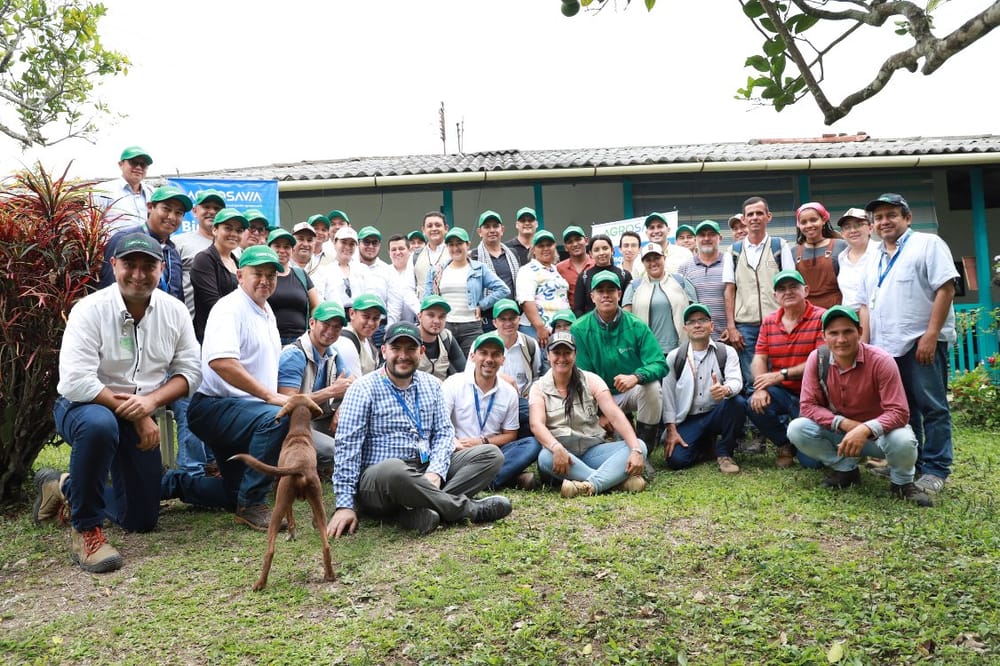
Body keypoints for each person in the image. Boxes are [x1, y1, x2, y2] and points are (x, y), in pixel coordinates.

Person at [34, 233, 201, 573]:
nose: (138, 274)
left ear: (161, 269)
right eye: (129, 265)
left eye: (148, 266)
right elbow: (76, 380)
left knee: (141, 519)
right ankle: (86, 531)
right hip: (82, 407)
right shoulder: (90, 310)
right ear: (114, 265)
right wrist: (138, 414)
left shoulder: (175, 311)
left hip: (139, 412)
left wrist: (150, 402)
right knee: (99, 425)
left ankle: (63, 486)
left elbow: (191, 373)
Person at [325, 322, 513, 537]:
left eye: (411, 349)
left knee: (491, 455)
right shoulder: (363, 388)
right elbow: (347, 448)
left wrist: (436, 471)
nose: (403, 355)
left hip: (424, 467)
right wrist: (344, 505)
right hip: (381, 479)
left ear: (421, 352)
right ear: (384, 351)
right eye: (396, 348)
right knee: (394, 468)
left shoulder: (432, 385)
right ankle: (467, 510)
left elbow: (444, 433)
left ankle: (414, 513)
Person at [161, 245, 294, 531]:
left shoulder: (265, 309)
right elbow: (222, 362)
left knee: (233, 494)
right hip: (215, 408)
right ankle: (252, 504)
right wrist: (270, 396)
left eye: (271, 275)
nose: (265, 280)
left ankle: (164, 484)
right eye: (258, 273)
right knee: (277, 416)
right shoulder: (230, 308)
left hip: (243, 411)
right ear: (240, 275)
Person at [857, 193, 958, 495]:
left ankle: (936, 469)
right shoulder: (873, 256)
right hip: (885, 348)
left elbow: (946, 288)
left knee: (933, 408)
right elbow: (866, 304)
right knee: (901, 410)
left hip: (920, 344)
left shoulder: (928, 244)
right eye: (878, 217)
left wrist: (931, 335)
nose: (884, 221)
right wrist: (866, 344)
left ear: (907, 218)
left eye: (891, 215)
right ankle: (909, 463)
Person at [786, 306, 932, 506]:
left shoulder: (881, 360)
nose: (841, 339)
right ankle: (846, 470)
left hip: (879, 435)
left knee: (903, 439)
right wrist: (844, 424)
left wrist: (864, 429)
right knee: (797, 428)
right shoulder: (818, 359)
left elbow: (899, 411)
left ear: (860, 332)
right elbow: (808, 406)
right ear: (823, 336)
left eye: (848, 331)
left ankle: (902, 483)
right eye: (833, 333)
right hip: (842, 434)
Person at [529, 332, 648, 497]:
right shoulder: (538, 387)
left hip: (592, 451)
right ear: (548, 355)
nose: (562, 358)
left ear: (575, 355)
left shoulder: (591, 380)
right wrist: (556, 447)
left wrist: (635, 449)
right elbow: (536, 424)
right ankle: (615, 483)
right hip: (561, 456)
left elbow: (615, 415)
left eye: (567, 352)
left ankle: (589, 485)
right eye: (556, 353)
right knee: (545, 457)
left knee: (640, 445)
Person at [571, 270, 668, 455]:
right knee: (606, 446)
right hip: (596, 398)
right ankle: (618, 432)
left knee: (653, 388)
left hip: (629, 391)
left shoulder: (637, 325)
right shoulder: (579, 328)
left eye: (611, 290)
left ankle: (645, 447)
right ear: (592, 297)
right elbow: (582, 376)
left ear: (620, 294)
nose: (606, 295)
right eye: (600, 291)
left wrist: (636, 376)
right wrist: (602, 412)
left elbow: (659, 363)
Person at [740, 270, 825, 469]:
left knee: (812, 464)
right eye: (782, 289)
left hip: (814, 395)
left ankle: (807, 441)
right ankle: (784, 444)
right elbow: (759, 357)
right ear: (775, 296)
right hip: (782, 392)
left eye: (793, 287)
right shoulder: (769, 321)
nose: (788, 292)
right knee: (753, 402)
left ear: (806, 290)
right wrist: (760, 387)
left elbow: (821, 361)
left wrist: (782, 375)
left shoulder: (821, 317)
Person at [442, 332, 542, 490]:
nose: (489, 359)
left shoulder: (509, 392)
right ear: (473, 356)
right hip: (460, 450)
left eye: (495, 354)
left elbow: (510, 435)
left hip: (493, 450)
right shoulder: (453, 383)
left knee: (532, 444)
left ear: (503, 360)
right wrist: (455, 443)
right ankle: (504, 479)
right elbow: (440, 425)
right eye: (483, 353)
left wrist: (483, 442)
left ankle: (485, 481)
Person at [722, 196, 795, 389]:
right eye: (750, 214)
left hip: (778, 323)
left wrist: (791, 319)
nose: (755, 217)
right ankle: (755, 409)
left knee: (781, 377)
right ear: (744, 219)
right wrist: (731, 327)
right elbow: (729, 290)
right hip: (746, 327)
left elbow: (791, 286)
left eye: (759, 213)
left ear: (768, 216)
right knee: (753, 381)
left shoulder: (779, 246)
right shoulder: (733, 251)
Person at [661, 304, 744, 474]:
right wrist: (671, 430)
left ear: (711, 326)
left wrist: (725, 389)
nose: (697, 325)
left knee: (738, 402)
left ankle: (724, 453)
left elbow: (736, 381)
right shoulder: (675, 357)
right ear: (685, 329)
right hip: (689, 419)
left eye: (702, 320)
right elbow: (667, 397)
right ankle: (706, 445)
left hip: (716, 414)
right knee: (676, 460)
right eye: (691, 322)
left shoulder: (726, 352)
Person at [277, 301, 355, 473]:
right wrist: (331, 392)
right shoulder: (294, 354)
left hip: (318, 420)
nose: (331, 331)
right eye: (326, 324)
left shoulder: (332, 352)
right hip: (294, 425)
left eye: (336, 327)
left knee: (358, 432)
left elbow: (353, 384)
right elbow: (286, 402)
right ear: (312, 323)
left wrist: (342, 408)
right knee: (335, 452)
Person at [425, 227, 511, 356]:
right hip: (444, 325)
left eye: (459, 243)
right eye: (451, 244)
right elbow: (427, 299)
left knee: (472, 363)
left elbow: (503, 289)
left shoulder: (479, 268)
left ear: (468, 245)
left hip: (471, 326)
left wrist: (481, 305)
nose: (455, 248)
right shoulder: (436, 270)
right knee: (445, 364)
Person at [99, 185, 192, 301]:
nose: (172, 217)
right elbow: (108, 291)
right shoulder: (124, 240)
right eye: (166, 209)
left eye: (178, 213)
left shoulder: (173, 252)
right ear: (150, 207)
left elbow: (177, 295)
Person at [623, 244, 697, 356]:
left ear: (664, 258)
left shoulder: (681, 281)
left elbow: (695, 313)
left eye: (657, 258)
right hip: (647, 352)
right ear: (643, 263)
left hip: (681, 350)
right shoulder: (634, 286)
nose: (653, 263)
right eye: (648, 260)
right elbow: (626, 321)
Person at [490, 299, 545, 438]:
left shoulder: (530, 344)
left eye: (512, 318)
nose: (508, 323)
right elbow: (470, 375)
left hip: (521, 401)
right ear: (494, 322)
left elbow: (536, 375)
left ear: (519, 319)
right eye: (503, 319)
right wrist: (500, 379)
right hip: (491, 400)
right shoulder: (483, 344)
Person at [191, 208, 245, 343]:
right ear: (215, 230)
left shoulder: (238, 263)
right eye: (228, 228)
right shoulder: (204, 259)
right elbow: (212, 303)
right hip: (213, 337)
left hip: (238, 334)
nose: (234, 234)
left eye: (239, 231)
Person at [356, 225, 416, 344]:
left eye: (374, 243)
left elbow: (394, 303)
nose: (370, 246)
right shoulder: (350, 267)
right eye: (366, 242)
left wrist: (390, 330)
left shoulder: (387, 270)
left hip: (379, 329)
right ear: (358, 244)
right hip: (354, 326)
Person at [174, 189, 226, 317]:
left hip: (226, 320)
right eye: (206, 207)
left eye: (217, 208)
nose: (212, 212)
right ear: (195, 211)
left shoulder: (234, 248)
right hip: (189, 320)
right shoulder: (179, 243)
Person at [515, 229, 570, 347]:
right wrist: (540, 327)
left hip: (558, 328)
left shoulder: (555, 269)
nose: (545, 248)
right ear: (534, 250)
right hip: (537, 330)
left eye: (549, 245)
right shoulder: (527, 270)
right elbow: (526, 301)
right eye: (541, 246)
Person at [266, 228, 320, 345]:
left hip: (301, 341)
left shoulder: (301, 274)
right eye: (277, 246)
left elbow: (316, 305)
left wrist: (314, 329)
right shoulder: (263, 276)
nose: (282, 250)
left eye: (286, 247)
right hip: (271, 341)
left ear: (292, 250)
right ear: (269, 248)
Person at [471, 210, 521, 330]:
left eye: (495, 226)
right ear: (479, 232)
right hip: (488, 317)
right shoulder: (474, 256)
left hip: (512, 315)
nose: (492, 230)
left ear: (502, 230)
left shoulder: (513, 253)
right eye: (487, 227)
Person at [793, 202, 848, 309]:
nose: (809, 225)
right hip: (806, 312)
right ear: (799, 225)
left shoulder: (841, 246)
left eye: (813, 220)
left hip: (837, 310)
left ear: (823, 220)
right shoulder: (793, 252)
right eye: (803, 222)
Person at [679, 220, 728, 339]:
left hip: (726, 336)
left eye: (711, 234)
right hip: (697, 339)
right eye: (702, 235)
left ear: (720, 238)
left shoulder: (730, 263)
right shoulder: (684, 267)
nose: (706, 238)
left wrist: (732, 327)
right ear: (696, 239)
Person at [96, 146, 154, 234]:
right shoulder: (103, 190)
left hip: (146, 242)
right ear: (121, 164)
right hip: (114, 243)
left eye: (143, 165)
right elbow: (89, 225)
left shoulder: (152, 193)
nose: (139, 167)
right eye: (133, 162)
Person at [574, 234, 631, 316]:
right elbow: (578, 309)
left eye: (605, 248)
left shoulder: (624, 275)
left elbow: (628, 306)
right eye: (596, 250)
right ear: (590, 253)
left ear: (612, 250)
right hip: (591, 323)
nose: (601, 253)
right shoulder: (584, 277)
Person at [836, 207, 879, 311]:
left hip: (876, 314)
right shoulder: (841, 257)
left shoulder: (881, 252)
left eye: (858, 225)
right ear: (842, 233)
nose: (853, 230)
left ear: (870, 228)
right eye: (847, 227)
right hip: (849, 316)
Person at [415, 295, 467, 380]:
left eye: (441, 317)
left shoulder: (446, 337)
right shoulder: (409, 339)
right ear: (419, 317)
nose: (436, 321)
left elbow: (464, 371)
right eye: (431, 315)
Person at [335, 294, 386, 378]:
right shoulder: (346, 343)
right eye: (366, 317)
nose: (371, 323)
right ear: (352, 313)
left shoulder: (367, 337)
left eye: (375, 318)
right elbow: (354, 383)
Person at [318, 226, 365, 311]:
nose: (347, 247)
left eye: (352, 244)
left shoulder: (363, 269)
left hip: (359, 314)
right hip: (334, 314)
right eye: (343, 242)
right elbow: (319, 299)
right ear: (335, 242)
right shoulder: (324, 271)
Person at [412, 211, 449, 299]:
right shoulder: (415, 256)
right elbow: (410, 287)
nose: (434, 229)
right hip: (423, 305)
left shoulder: (454, 253)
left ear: (446, 228)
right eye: (429, 226)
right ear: (423, 230)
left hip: (450, 305)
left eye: (438, 225)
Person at [556, 226, 593, 307]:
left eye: (578, 239)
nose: (575, 244)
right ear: (565, 247)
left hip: (595, 312)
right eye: (570, 242)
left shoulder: (596, 264)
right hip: (570, 313)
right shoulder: (558, 268)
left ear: (586, 241)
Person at [387, 233, 419, 324]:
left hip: (416, 324)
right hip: (391, 325)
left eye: (401, 248)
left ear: (410, 250)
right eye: (393, 249)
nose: (397, 252)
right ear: (389, 253)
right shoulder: (384, 272)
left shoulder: (417, 271)